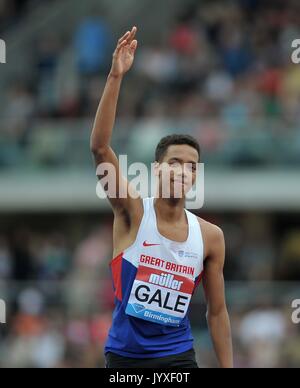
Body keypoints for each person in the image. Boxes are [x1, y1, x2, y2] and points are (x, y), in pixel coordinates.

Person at [90, 26, 233, 368]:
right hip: (126, 359)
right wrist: (115, 75)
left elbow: (217, 312)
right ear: (157, 169)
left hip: (178, 358)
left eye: (191, 166)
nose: (183, 171)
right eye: (175, 163)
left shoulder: (210, 237)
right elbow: (99, 148)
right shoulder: (132, 211)